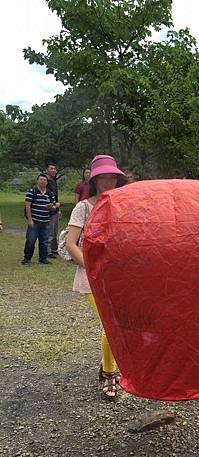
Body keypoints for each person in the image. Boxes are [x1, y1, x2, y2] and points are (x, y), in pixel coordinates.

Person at [66, 155, 127, 400]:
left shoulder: (122, 206)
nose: (107, 181)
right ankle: (109, 373)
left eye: (112, 176)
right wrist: (92, 269)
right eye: (102, 177)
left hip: (117, 276)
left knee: (117, 324)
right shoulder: (84, 207)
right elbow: (71, 244)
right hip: (91, 277)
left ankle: (108, 366)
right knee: (110, 325)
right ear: (94, 179)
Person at [21, 173, 57, 266]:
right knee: (31, 240)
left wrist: (51, 207)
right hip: (34, 221)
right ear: (37, 181)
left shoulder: (50, 193)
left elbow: (53, 207)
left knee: (44, 241)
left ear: (47, 182)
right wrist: (30, 220)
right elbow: (28, 206)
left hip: (45, 221)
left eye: (44, 180)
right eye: (41, 179)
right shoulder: (32, 192)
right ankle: (26, 258)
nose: (43, 181)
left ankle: (43, 259)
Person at [45, 162, 60, 258]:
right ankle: (48, 251)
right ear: (47, 170)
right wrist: (54, 205)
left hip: (55, 210)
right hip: (48, 210)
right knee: (49, 231)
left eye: (54, 169)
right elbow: (45, 196)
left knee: (55, 231)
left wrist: (58, 209)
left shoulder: (54, 181)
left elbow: (55, 197)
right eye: (51, 168)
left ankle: (54, 249)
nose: (53, 170)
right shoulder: (45, 182)